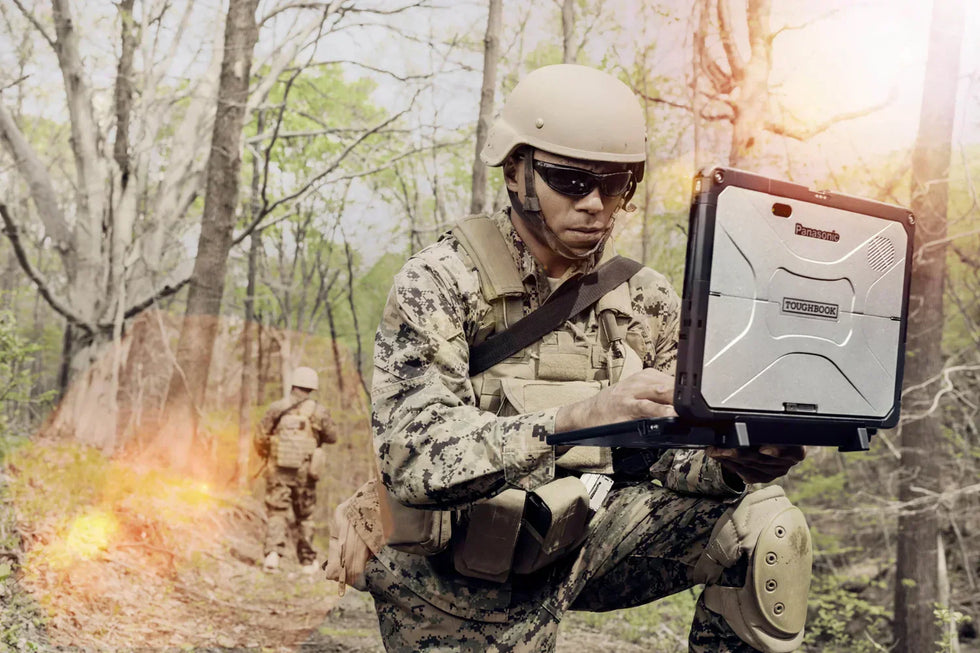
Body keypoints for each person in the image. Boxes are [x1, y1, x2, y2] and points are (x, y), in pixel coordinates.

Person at [358, 64, 810, 652]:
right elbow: (412, 456)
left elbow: (668, 460)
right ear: (515, 171)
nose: (595, 204)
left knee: (767, 529)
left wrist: (730, 460)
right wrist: (576, 418)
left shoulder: (645, 298)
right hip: (460, 574)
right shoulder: (441, 282)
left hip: (589, 535)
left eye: (616, 184)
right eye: (570, 181)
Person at [255, 365, 338, 572]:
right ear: (312, 388)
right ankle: (307, 562)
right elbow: (332, 437)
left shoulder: (277, 407)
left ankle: (272, 556)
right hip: (305, 472)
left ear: (293, 384)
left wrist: (270, 453)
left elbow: (260, 437)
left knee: (277, 511)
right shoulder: (319, 411)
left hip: (278, 470)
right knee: (305, 516)